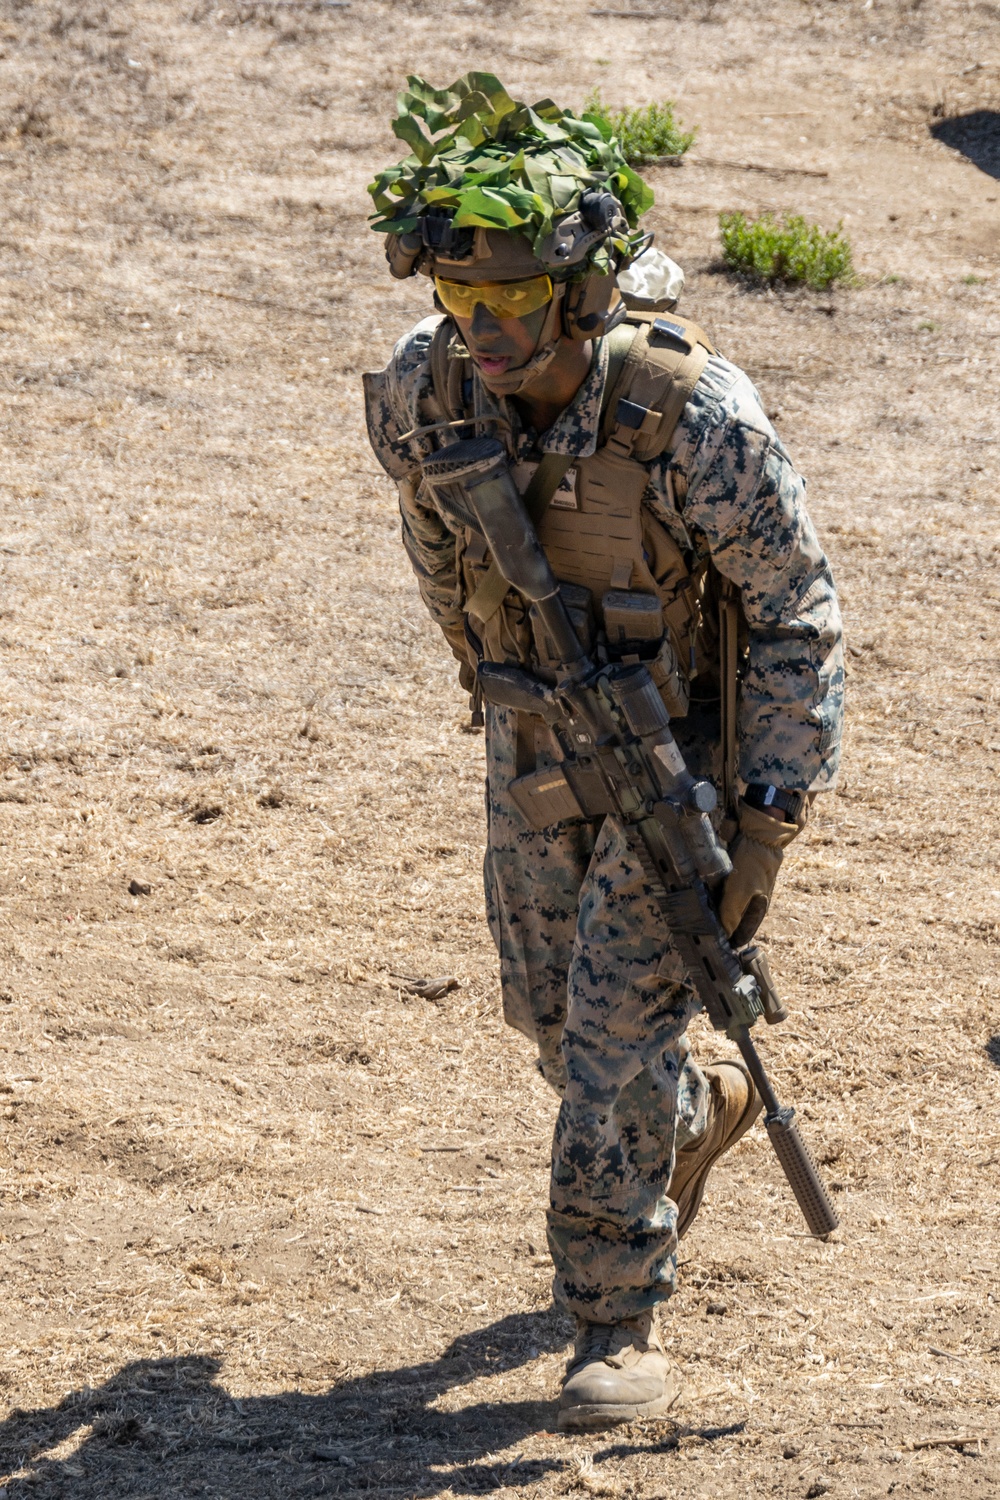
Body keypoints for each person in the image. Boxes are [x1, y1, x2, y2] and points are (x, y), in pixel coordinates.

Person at [362, 73, 843, 1432]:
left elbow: (797, 618)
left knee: (609, 1053)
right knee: (554, 1022)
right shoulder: (422, 388)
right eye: (461, 305)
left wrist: (763, 827)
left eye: (511, 307)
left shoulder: (695, 422)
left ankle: (614, 1322)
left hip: (672, 772)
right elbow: (440, 554)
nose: (481, 336)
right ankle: (697, 1120)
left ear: (581, 294)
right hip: (530, 755)